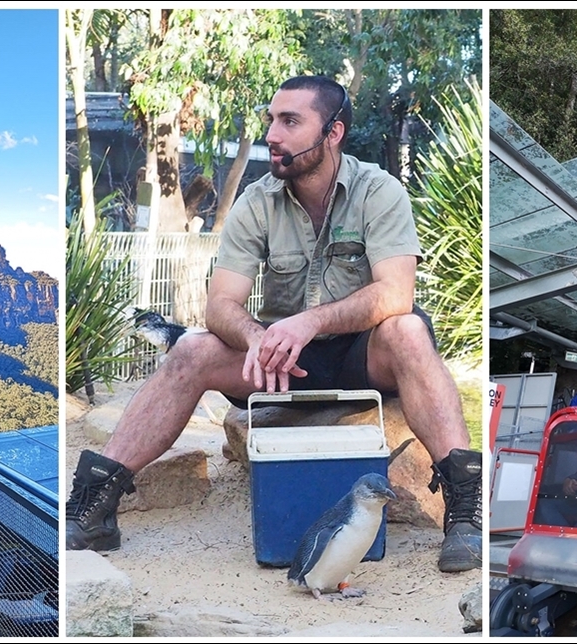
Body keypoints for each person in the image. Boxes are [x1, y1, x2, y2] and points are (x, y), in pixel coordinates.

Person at [64, 75, 481, 573]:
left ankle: (466, 512)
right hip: (280, 360)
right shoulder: (256, 201)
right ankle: (94, 504)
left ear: (333, 132)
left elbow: (396, 292)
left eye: (290, 121)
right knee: (193, 349)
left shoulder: (379, 191)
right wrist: (257, 338)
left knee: (408, 329)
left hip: (364, 355)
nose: (273, 135)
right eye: (271, 121)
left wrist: (310, 322)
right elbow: (220, 304)